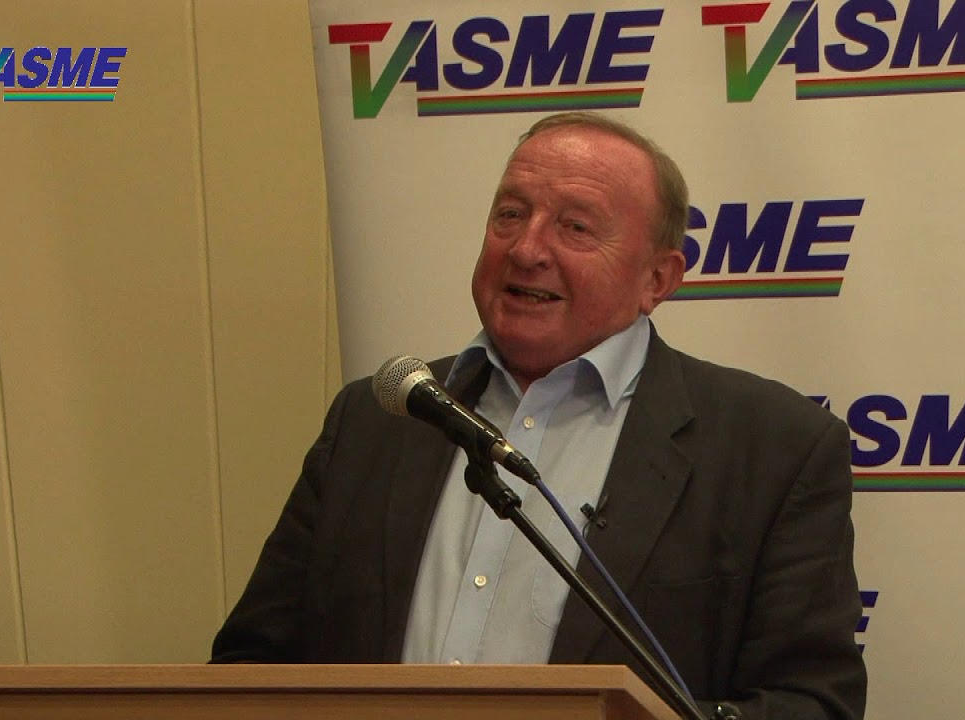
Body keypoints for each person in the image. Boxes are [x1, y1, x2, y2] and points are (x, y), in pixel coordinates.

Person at [212, 112, 866, 719]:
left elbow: (813, 704)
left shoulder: (774, 449)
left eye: (575, 227)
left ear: (658, 280)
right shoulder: (376, 419)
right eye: (510, 214)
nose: (526, 249)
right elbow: (251, 664)